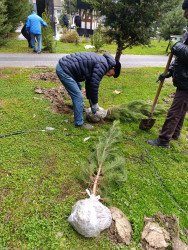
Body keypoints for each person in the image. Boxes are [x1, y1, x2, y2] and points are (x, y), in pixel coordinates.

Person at [147, 0, 188, 148]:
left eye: (186, 10)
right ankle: (174, 133)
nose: (184, 14)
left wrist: (176, 46)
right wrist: (170, 71)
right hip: (184, 77)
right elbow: (181, 58)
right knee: (182, 108)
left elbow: (183, 51)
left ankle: (163, 140)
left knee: (176, 110)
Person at [56, 52, 121, 129]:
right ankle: (79, 123)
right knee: (78, 97)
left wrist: (91, 101)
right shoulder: (103, 65)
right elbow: (94, 86)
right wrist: (95, 103)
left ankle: (79, 109)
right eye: (112, 74)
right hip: (65, 70)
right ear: (113, 68)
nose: (110, 76)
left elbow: (89, 83)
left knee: (78, 87)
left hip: (66, 67)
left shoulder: (103, 62)